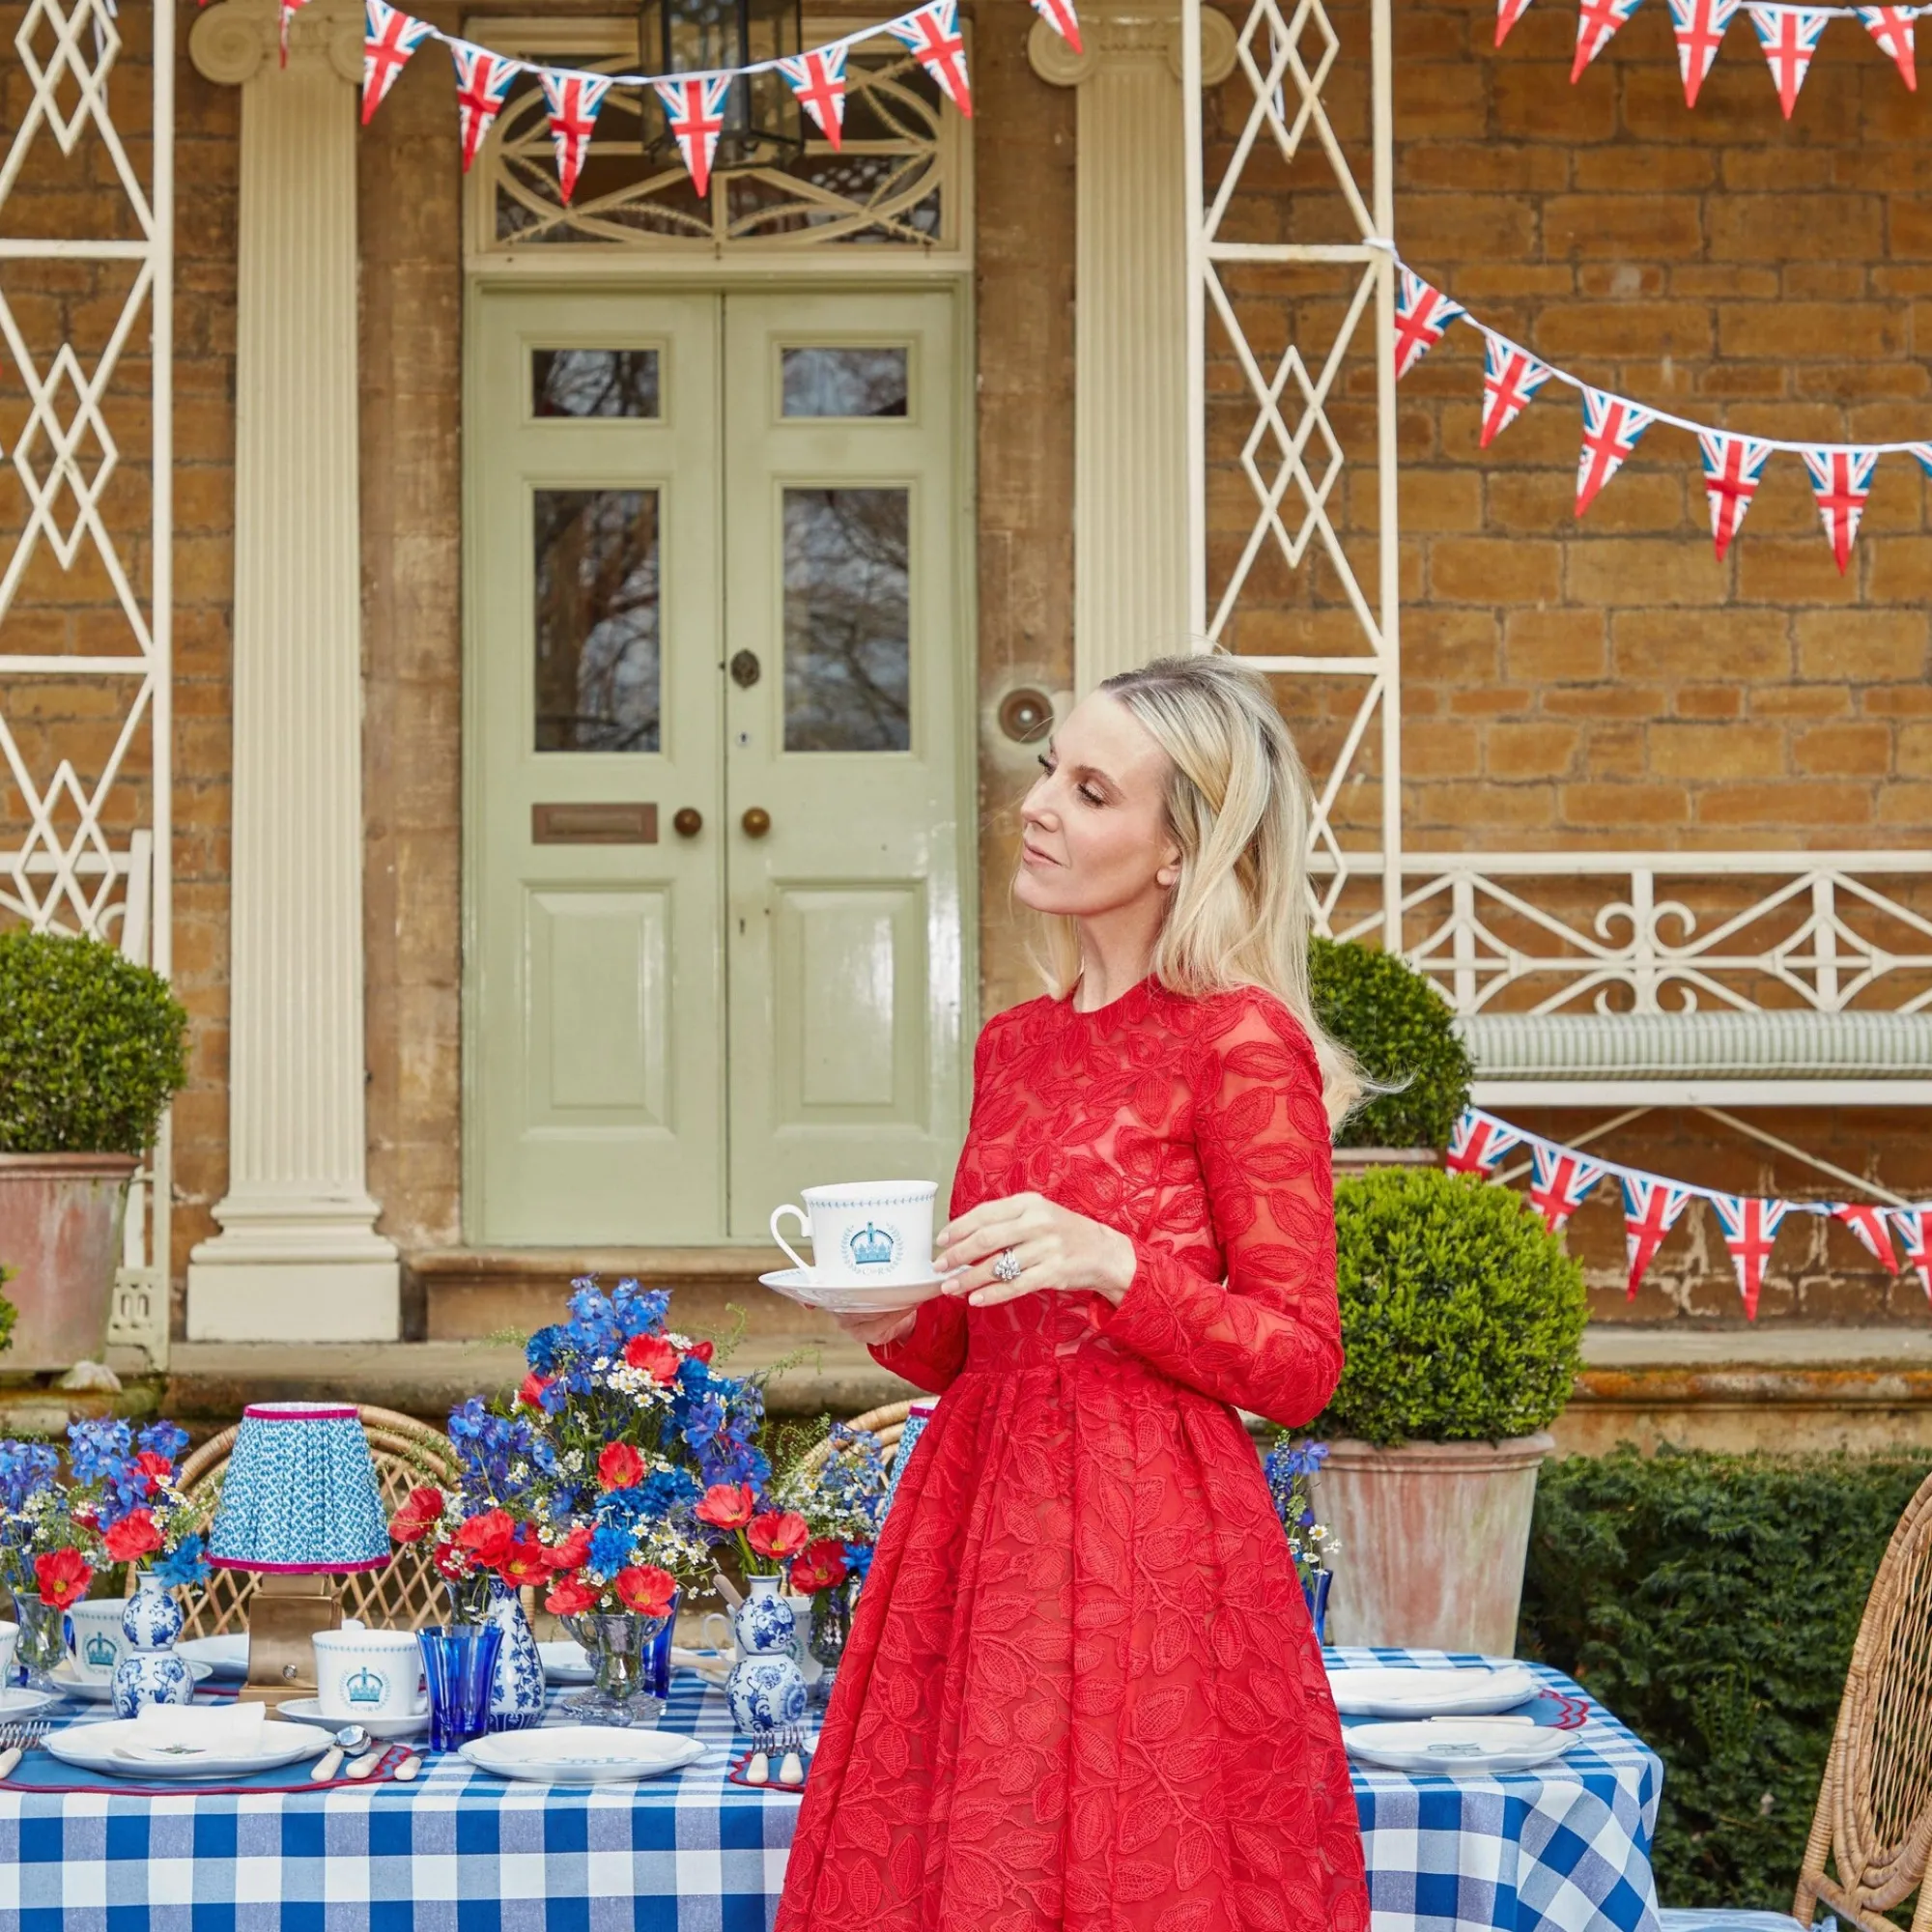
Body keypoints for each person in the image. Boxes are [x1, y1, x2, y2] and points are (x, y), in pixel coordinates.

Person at [773, 654, 1371, 1932]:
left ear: (1178, 850)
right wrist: (890, 1318)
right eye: (1052, 771)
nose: (1040, 805)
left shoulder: (1239, 1042)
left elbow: (1301, 1361)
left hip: (1155, 1549)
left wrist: (1117, 1265)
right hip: (979, 1522)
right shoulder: (1016, 1044)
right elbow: (974, 1339)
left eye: (1092, 790)